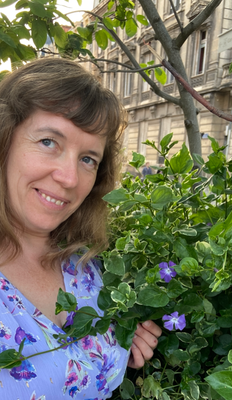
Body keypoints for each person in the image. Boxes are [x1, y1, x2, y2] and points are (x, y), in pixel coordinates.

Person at [0, 58, 161, 398]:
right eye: (48, 142)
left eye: (88, 158)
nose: (70, 178)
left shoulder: (84, 262)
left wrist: (119, 346)